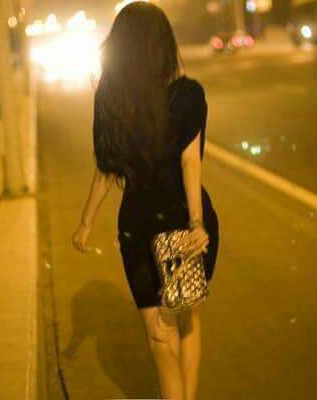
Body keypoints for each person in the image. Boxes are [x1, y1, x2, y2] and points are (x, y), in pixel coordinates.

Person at [72, 2, 219, 399]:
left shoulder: (110, 99)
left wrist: (86, 221)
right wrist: (196, 222)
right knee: (186, 319)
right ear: (163, 45)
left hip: (138, 227)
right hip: (180, 219)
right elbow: (190, 162)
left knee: (159, 340)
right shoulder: (188, 96)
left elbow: (106, 167)